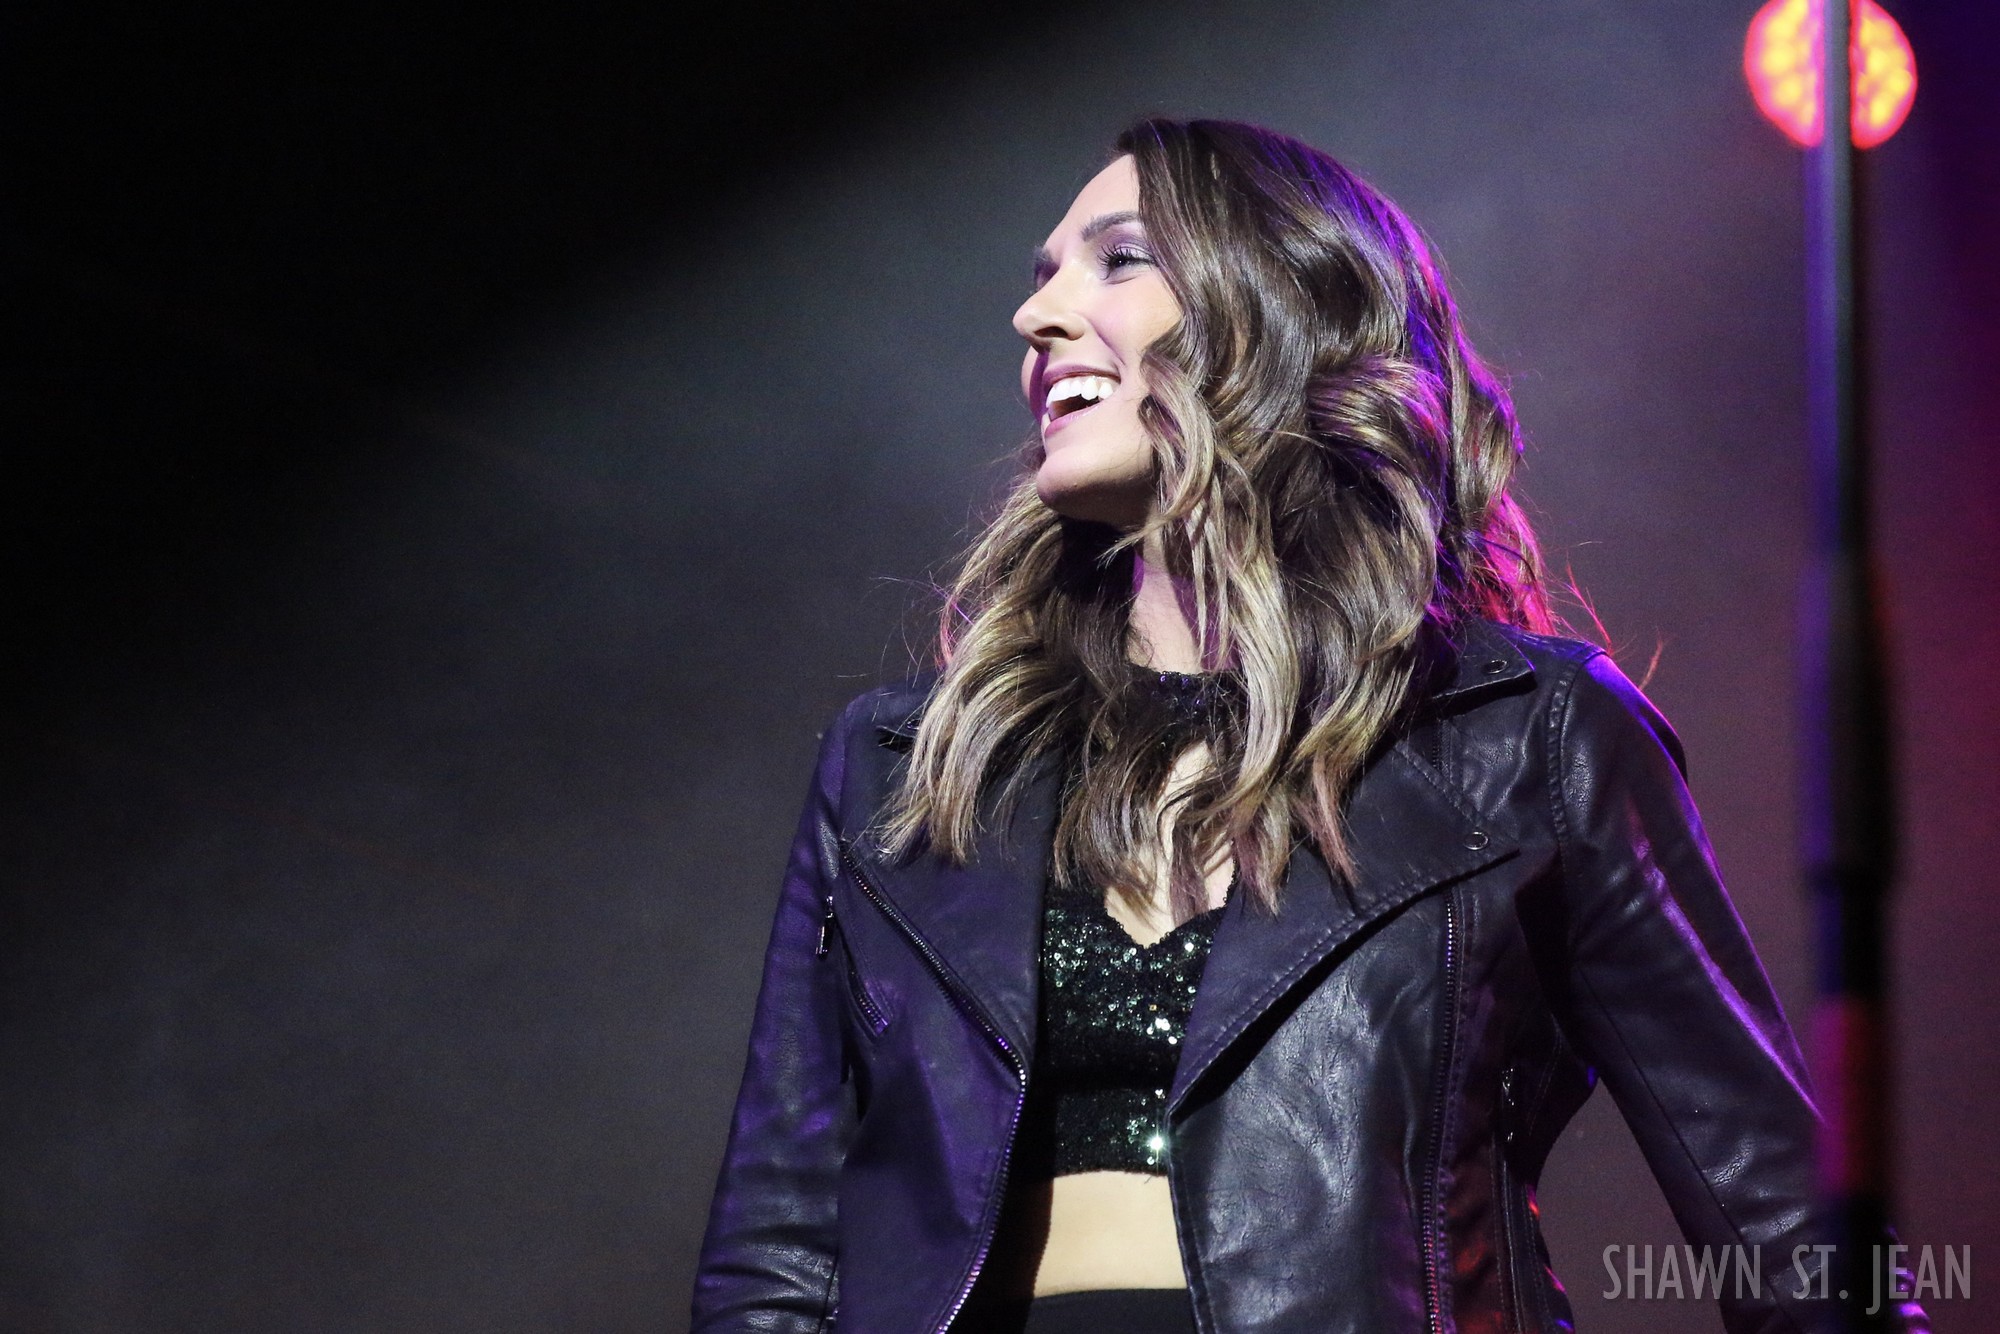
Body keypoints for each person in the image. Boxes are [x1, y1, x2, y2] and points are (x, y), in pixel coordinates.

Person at [689, 119, 1927, 1333]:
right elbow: (773, 1262)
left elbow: (1791, 1239)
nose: (1036, 313)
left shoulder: (1527, 740)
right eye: (1042, 273)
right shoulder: (906, 768)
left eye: (1118, 260)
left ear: (1281, 310)